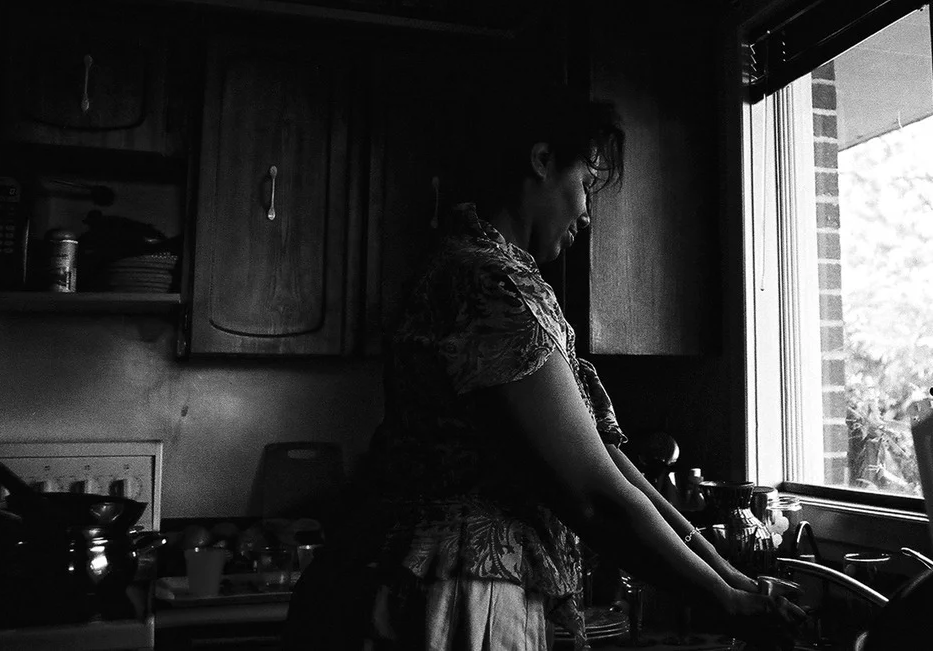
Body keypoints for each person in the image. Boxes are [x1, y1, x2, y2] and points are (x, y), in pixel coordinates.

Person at [284, 82, 803, 650]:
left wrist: (734, 582)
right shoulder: (490, 284)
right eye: (587, 184)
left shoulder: (481, 271)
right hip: (453, 598)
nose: (586, 214)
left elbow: (610, 467)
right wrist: (725, 601)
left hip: (428, 584)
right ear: (541, 160)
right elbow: (594, 497)